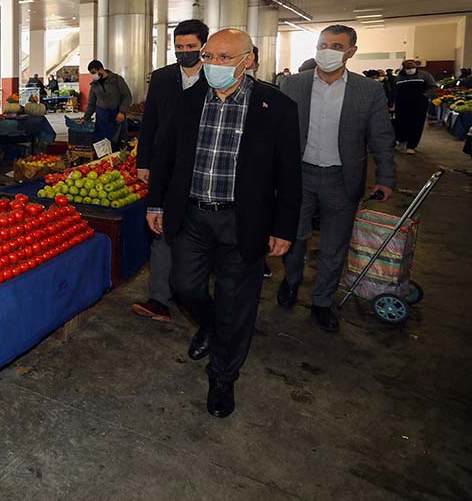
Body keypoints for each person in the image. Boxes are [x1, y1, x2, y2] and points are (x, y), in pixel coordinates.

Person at [146, 28, 301, 418]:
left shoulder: (276, 106)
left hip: (243, 220)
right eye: (209, 56)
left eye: (224, 58)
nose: (213, 65)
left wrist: (284, 227)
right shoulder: (187, 101)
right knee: (184, 287)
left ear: (248, 60)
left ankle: (223, 377)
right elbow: (165, 157)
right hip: (193, 214)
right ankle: (216, 328)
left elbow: (289, 173)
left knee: (238, 300)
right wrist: (156, 204)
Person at [277, 25, 395, 331]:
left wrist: (385, 176)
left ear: (351, 52)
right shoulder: (294, 85)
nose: (328, 51)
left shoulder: (368, 91)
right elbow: (276, 133)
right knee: (294, 236)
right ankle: (291, 280)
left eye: (337, 46)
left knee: (334, 245)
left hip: (342, 178)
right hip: (299, 175)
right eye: (323, 44)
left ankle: (322, 301)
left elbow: (381, 136)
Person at [133, 18, 208, 323]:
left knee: (197, 232)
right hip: (165, 166)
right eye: (179, 47)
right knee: (161, 230)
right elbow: (149, 121)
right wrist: (144, 162)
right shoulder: (162, 78)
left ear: (203, 46)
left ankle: (190, 296)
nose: (185, 52)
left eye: (191, 47)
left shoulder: (214, 79)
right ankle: (158, 299)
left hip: (202, 166)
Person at [80, 60, 132, 148]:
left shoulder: (116, 80)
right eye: (91, 73)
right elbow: (91, 104)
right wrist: (85, 118)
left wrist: (122, 112)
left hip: (116, 116)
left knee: (117, 142)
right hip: (101, 118)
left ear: (100, 70)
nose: (93, 75)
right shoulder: (94, 85)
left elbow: (127, 96)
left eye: (94, 72)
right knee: (101, 143)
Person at [392, 59, 436, 154]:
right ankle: (401, 141)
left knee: (417, 124)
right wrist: (395, 102)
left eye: (412, 68)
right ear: (404, 68)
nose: (410, 70)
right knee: (401, 123)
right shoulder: (399, 77)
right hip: (402, 104)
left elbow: (432, 87)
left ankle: (411, 145)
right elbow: (395, 90)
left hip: (419, 104)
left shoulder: (425, 75)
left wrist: (425, 96)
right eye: (408, 68)